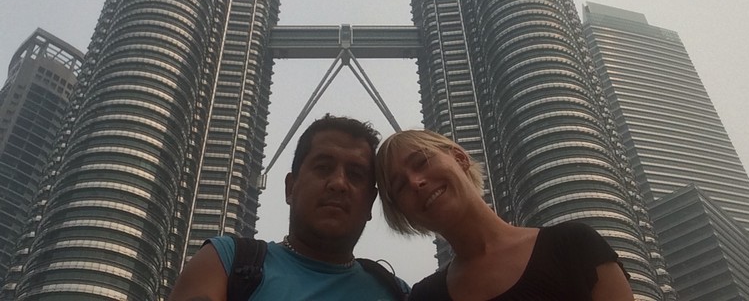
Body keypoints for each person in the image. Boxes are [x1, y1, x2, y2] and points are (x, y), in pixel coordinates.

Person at [169, 114, 409, 301]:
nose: (338, 183)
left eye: (355, 174)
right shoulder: (226, 261)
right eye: (323, 167)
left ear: (370, 203)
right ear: (290, 187)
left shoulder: (398, 293)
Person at [375, 130, 634, 301]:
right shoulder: (426, 297)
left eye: (422, 161)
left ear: (460, 158)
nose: (415, 182)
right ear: (402, 213)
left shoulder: (573, 246)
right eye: (400, 186)